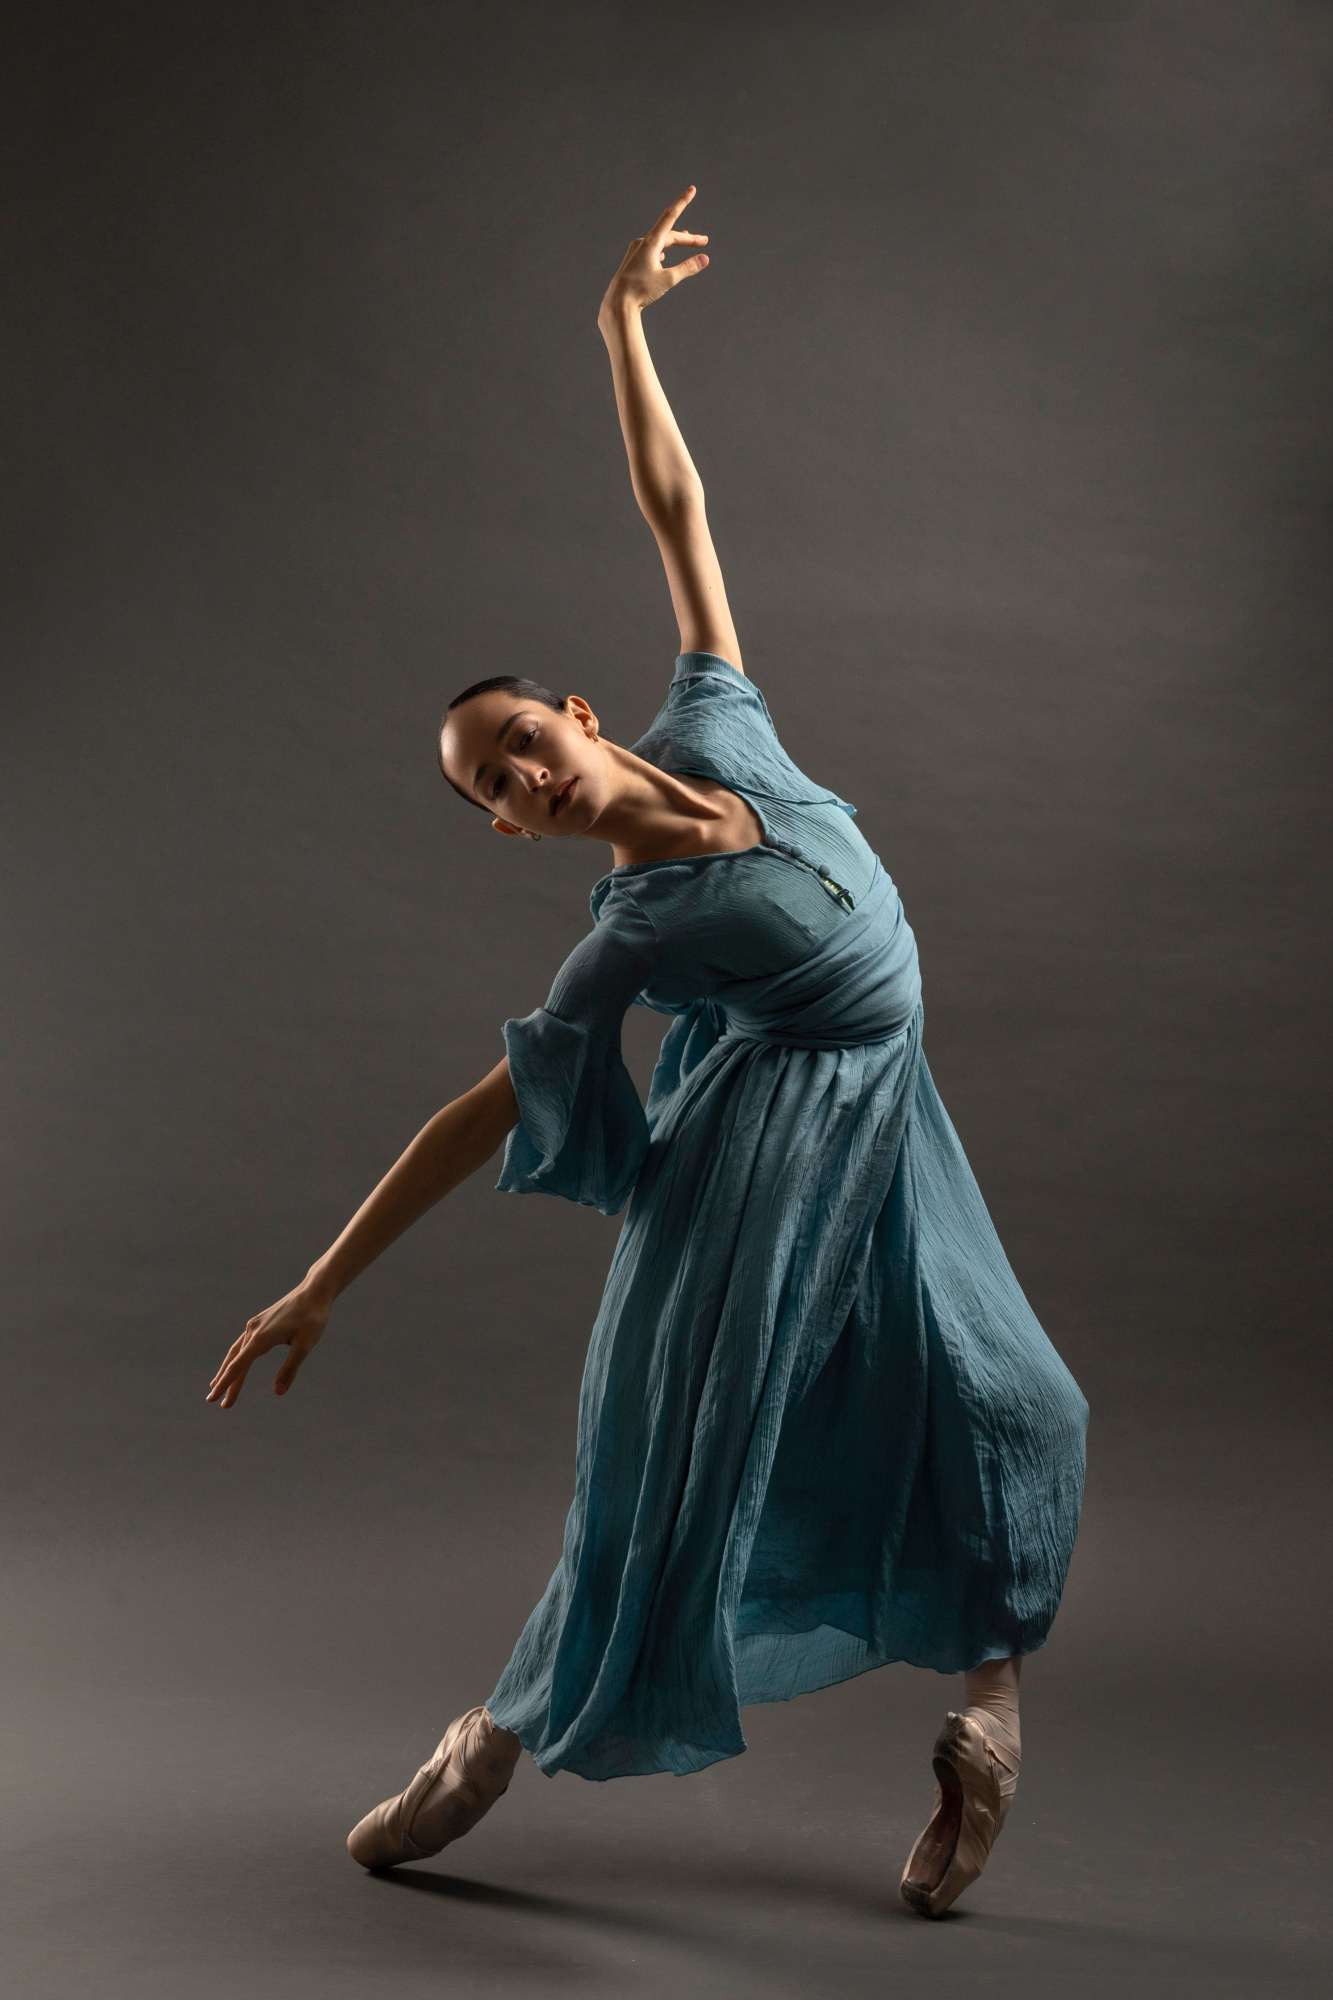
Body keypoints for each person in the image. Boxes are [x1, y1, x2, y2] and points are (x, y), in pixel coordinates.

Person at [207, 189, 1088, 1919]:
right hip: (762, 1157)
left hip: (883, 1121)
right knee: (679, 1465)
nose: (524, 775)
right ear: (509, 828)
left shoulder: (720, 721)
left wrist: (618, 324)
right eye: (496, 787)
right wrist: (320, 1284)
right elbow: (484, 1110)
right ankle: (491, 1739)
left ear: (579, 714)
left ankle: (986, 1727)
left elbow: (675, 506)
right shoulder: (630, 930)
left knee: (1004, 1401)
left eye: (521, 738)